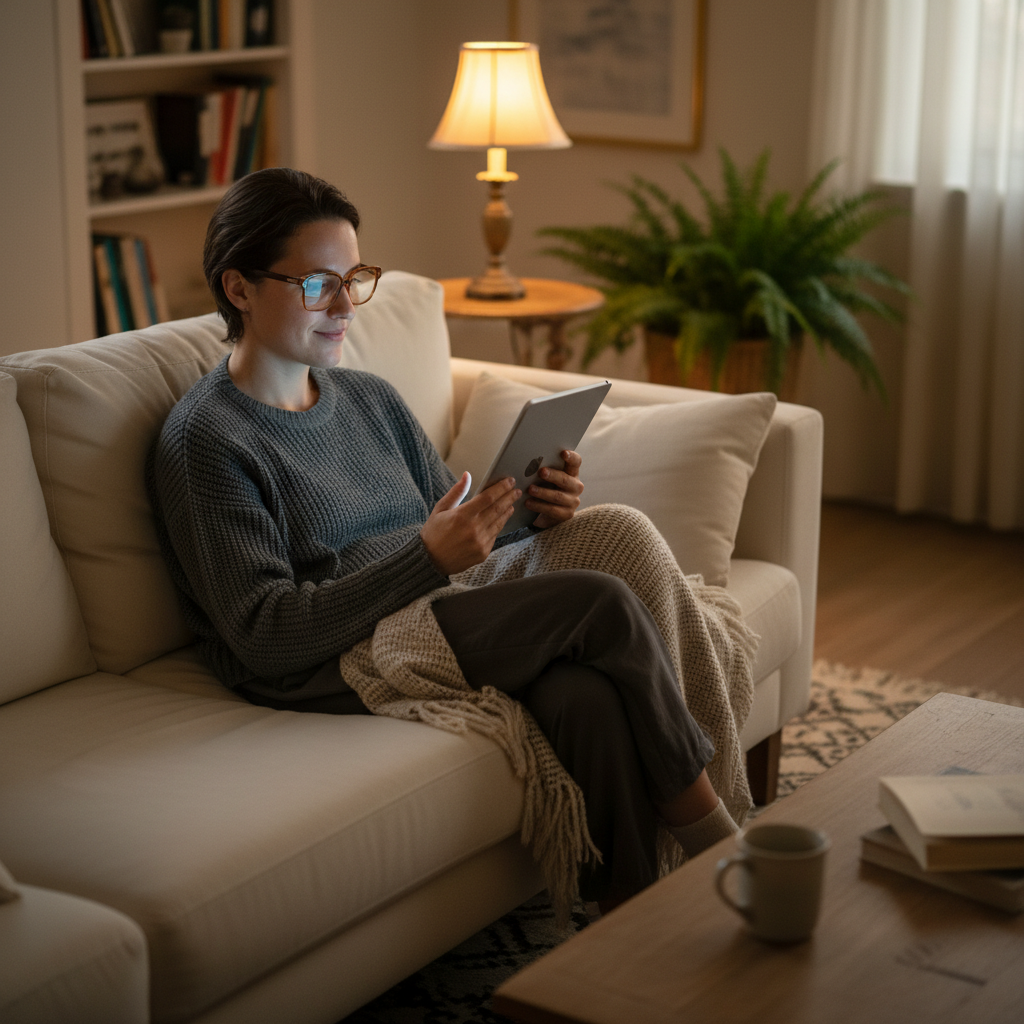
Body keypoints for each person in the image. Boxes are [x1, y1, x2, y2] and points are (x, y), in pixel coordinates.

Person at [149, 167, 741, 915]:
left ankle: (632, 923)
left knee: (584, 686)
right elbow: (265, 636)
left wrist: (523, 514)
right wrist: (427, 558)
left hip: (434, 604)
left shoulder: (368, 398)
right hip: (331, 657)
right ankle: (722, 845)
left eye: (354, 279)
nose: (345, 307)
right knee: (601, 605)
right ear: (239, 289)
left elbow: (456, 534)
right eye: (317, 285)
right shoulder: (208, 441)